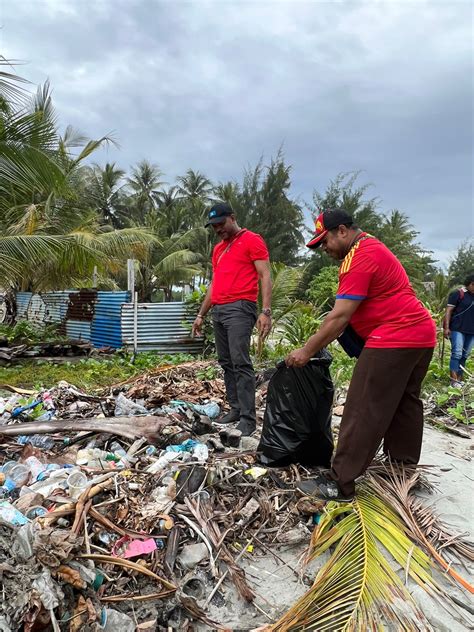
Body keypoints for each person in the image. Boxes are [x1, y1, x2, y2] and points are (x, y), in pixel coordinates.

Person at [286, 208, 436, 502]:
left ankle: (339, 482)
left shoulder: (359, 257)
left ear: (342, 231)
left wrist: (306, 351)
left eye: (324, 241)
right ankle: (402, 472)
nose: (323, 249)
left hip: (394, 337)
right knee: (405, 403)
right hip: (421, 335)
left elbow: (340, 316)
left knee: (364, 407)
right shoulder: (372, 247)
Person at [192, 202, 272, 436]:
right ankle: (236, 409)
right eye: (214, 226)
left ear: (232, 217)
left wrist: (265, 311)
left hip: (240, 307)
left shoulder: (252, 240)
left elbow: (265, 274)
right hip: (219, 309)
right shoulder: (218, 249)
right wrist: (200, 314)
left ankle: (248, 418)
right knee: (226, 362)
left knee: (240, 362)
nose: (218, 229)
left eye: (221, 223)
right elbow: (214, 284)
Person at [443, 274, 474, 387]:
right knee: (456, 354)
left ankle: (460, 379)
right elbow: (448, 311)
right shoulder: (458, 294)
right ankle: (454, 380)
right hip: (458, 329)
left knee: (465, 355)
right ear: (471, 284)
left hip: (471, 331)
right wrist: (446, 328)